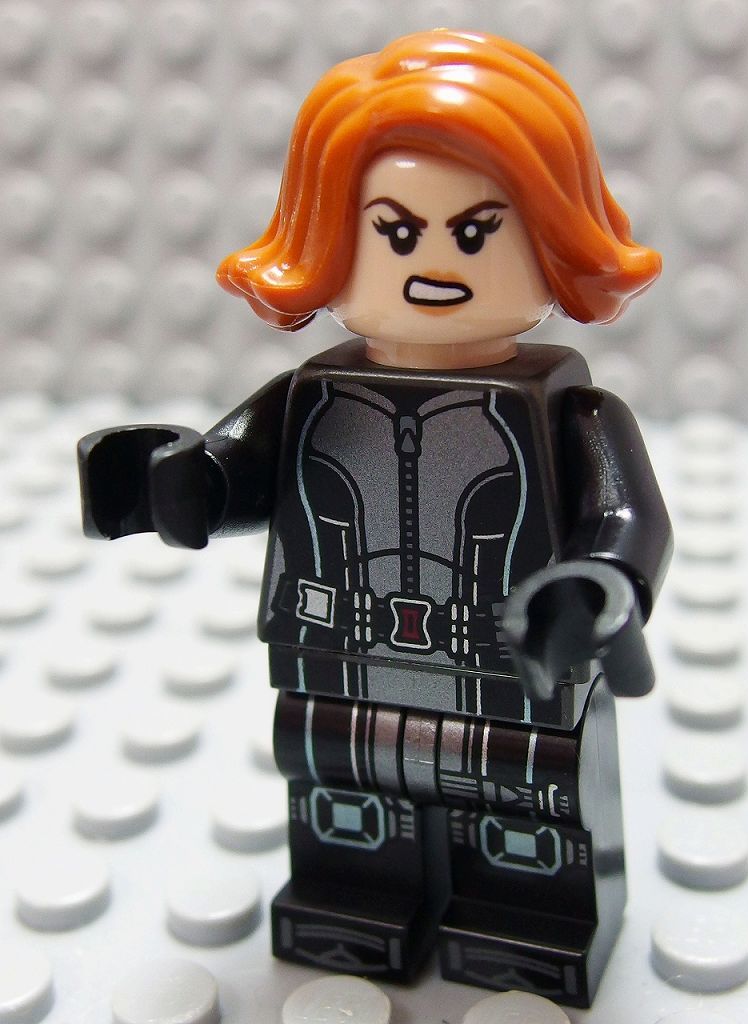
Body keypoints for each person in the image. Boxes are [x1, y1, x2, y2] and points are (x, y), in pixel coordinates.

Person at [79, 29, 672, 1008]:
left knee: (526, 801)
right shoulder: (310, 397)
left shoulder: (573, 411)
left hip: (509, 677)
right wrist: (178, 482)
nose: (435, 263)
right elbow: (236, 472)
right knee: (342, 791)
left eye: (476, 234)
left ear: (554, 238)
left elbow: (626, 514)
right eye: (395, 232)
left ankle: (530, 918)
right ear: (328, 242)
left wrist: (603, 581)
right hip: (334, 669)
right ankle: (356, 900)